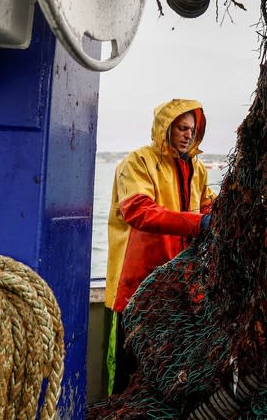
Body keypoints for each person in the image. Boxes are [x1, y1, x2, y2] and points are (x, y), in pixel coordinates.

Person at [104, 98, 217, 394]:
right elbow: (138, 211)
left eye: (192, 129)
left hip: (178, 287)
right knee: (128, 369)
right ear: (165, 129)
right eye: (181, 128)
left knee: (167, 368)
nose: (188, 135)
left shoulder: (197, 168)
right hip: (135, 287)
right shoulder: (138, 161)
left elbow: (207, 206)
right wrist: (197, 224)